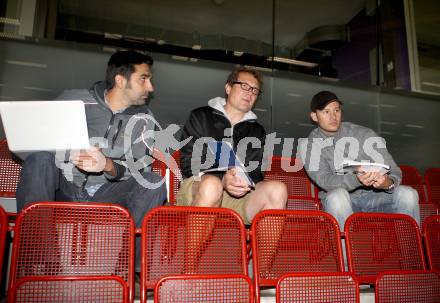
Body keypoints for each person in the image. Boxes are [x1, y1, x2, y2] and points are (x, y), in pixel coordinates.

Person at [16, 50, 167, 271]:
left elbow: (140, 167)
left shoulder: (145, 121)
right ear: (120, 80)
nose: (150, 87)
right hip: (64, 187)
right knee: (39, 161)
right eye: (144, 79)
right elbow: (28, 147)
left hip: (109, 193)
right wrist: (71, 154)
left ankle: (130, 269)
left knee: (152, 181)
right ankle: (41, 260)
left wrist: (107, 165)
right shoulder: (74, 101)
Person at [177, 66, 287, 224]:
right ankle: (192, 251)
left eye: (255, 90)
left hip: (239, 196)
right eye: (244, 86)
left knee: (278, 190)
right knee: (212, 185)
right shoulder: (201, 116)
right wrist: (223, 179)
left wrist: (241, 182)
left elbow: (256, 172)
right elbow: (189, 163)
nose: (250, 93)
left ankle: (262, 250)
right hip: (199, 188)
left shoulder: (257, 131)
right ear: (228, 88)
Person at [300, 90, 420, 229]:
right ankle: (344, 251)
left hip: (376, 197)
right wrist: (356, 178)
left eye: (337, 110)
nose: (333, 116)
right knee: (337, 197)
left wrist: (387, 183)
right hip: (343, 202)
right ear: (314, 116)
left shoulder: (363, 134)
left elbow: (393, 170)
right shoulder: (310, 145)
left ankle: (410, 249)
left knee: (408, 194)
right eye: (326, 112)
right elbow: (325, 181)